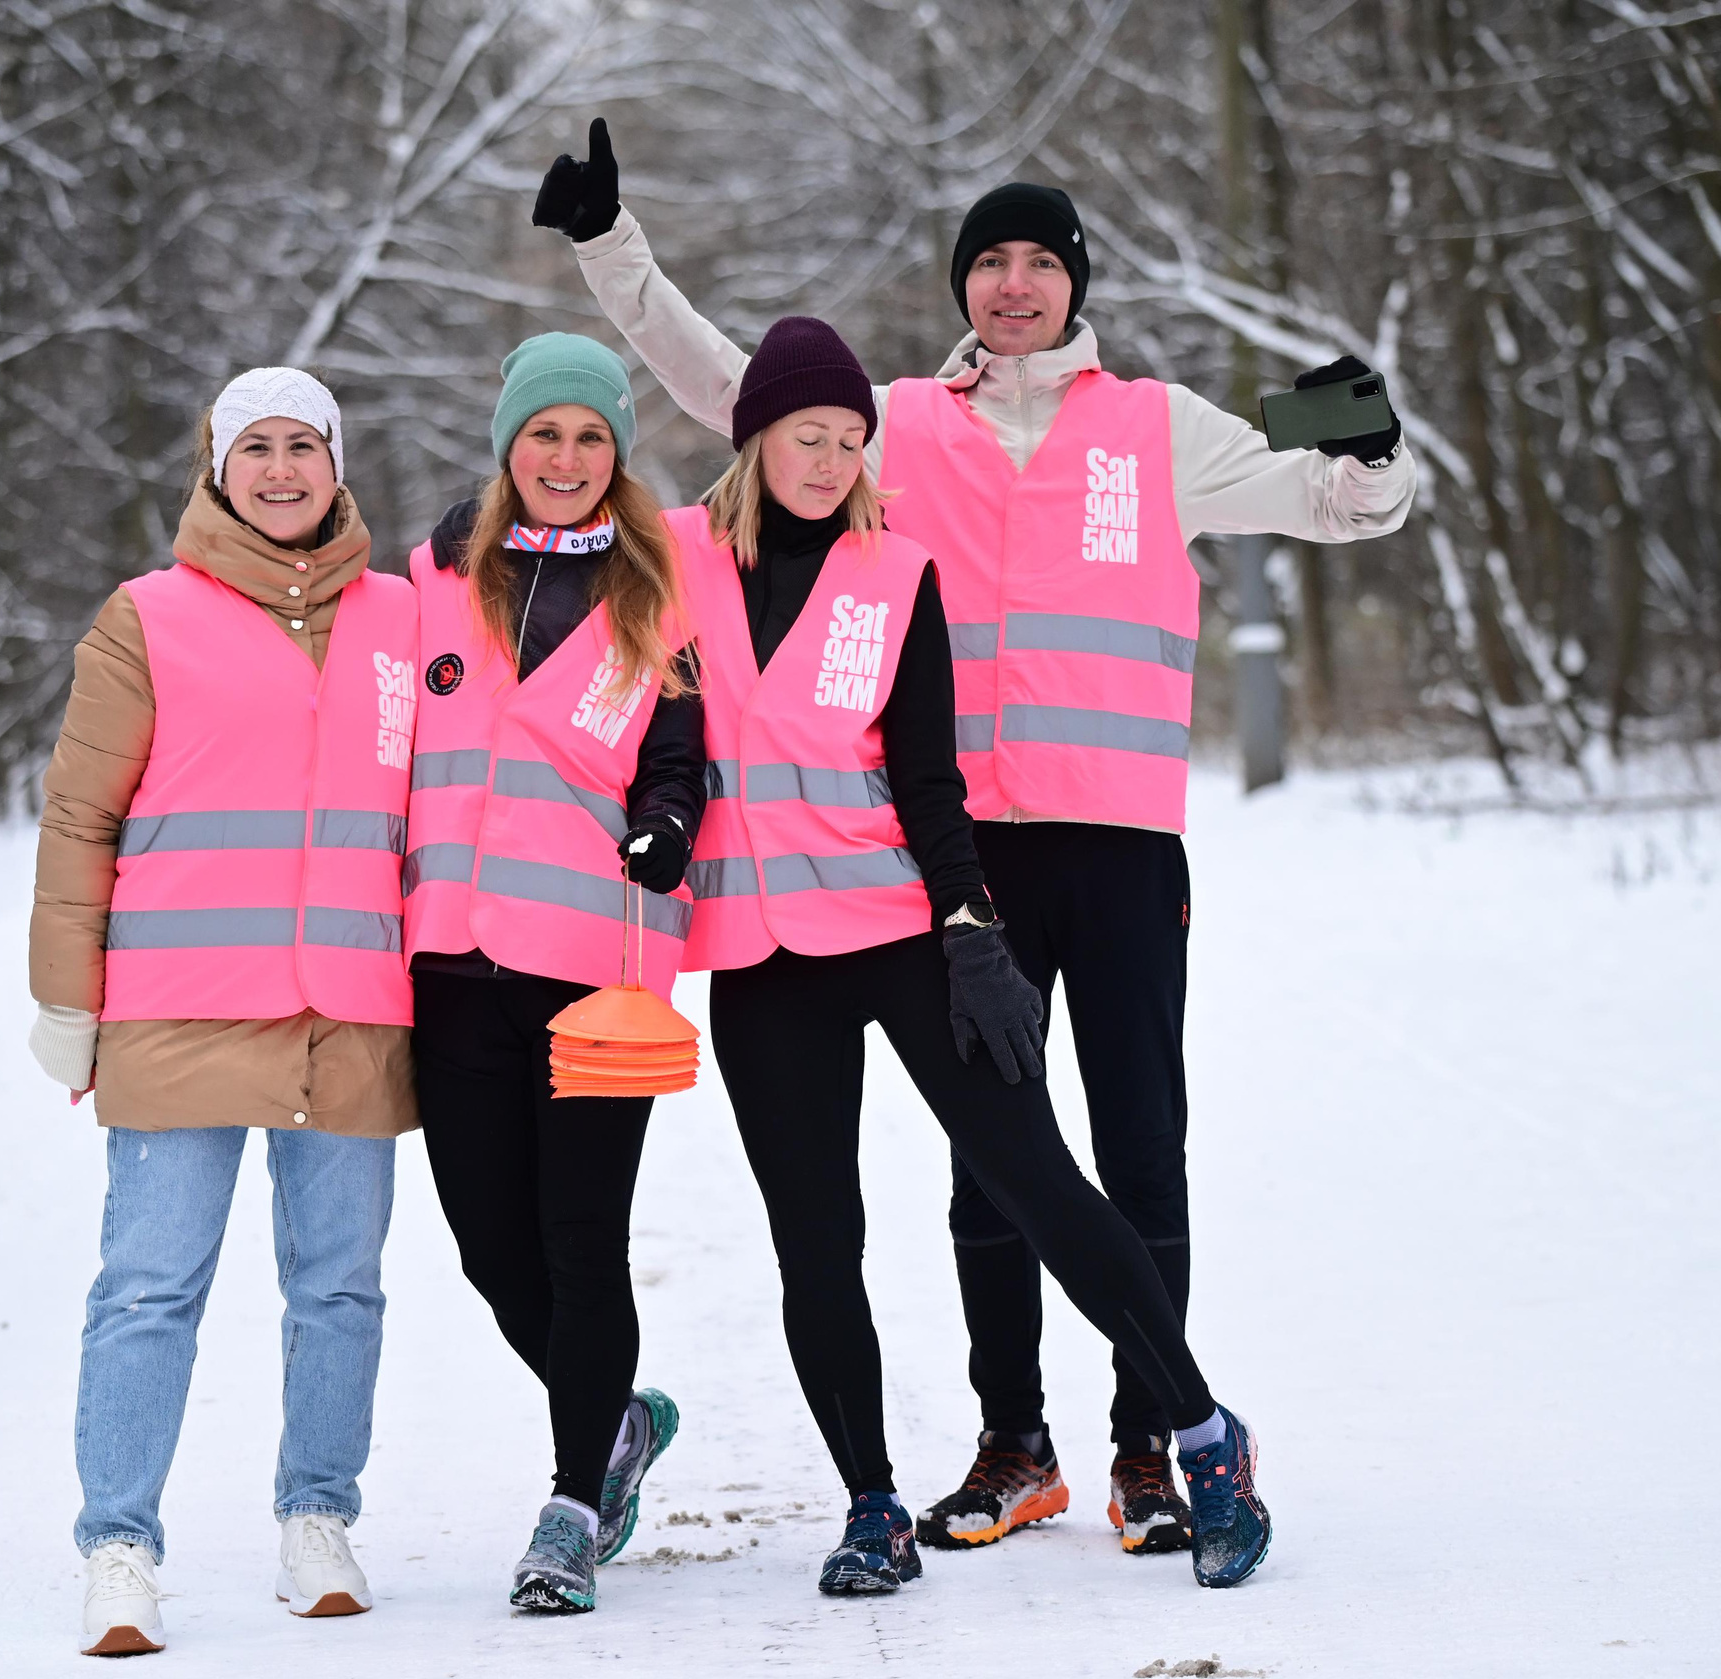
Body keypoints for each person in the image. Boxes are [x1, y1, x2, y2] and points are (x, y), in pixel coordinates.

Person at [536, 120, 1411, 1560]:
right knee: (992, 1165)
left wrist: (1363, 430)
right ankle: (1018, 1442)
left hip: (1119, 840)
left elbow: (1338, 502)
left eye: (1038, 264)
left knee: (1137, 1145)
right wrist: (610, 250)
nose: (1013, 287)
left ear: (1076, 285)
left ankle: (1149, 1443)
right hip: (950, 856)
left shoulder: (1161, 424)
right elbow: (723, 389)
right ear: (964, 286)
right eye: (989, 263)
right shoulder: (893, 430)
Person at [658, 314, 1268, 1596]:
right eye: (802, 437)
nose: (827, 460)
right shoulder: (675, 559)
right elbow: (547, 561)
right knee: (815, 1242)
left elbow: (930, 785)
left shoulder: (896, 574)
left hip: (898, 931)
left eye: (847, 440)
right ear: (753, 438)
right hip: (759, 954)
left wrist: (971, 932)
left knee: (1040, 1183)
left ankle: (1203, 1434)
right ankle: (870, 1504)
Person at [27, 368, 417, 1655]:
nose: (283, 470)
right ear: (215, 467)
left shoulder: (404, 620)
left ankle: (318, 1517)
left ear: (336, 463)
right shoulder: (146, 619)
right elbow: (82, 817)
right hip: (178, 1007)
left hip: (348, 1007)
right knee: (148, 1287)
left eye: (304, 445)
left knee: (341, 1289)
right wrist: (64, 999)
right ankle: (120, 1547)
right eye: (256, 448)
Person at [402, 332, 702, 1615]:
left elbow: (683, 752)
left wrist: (672, 820)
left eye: (590, 437)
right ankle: (617, 1417)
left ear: (617, 455)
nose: (567, 459)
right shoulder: (429, 579)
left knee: (584, 1243)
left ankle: (574, 1504)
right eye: (544, 435)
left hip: (590, 965)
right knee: (488, 1246)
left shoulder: (657, 592)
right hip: (453, 961)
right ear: (507, 448)